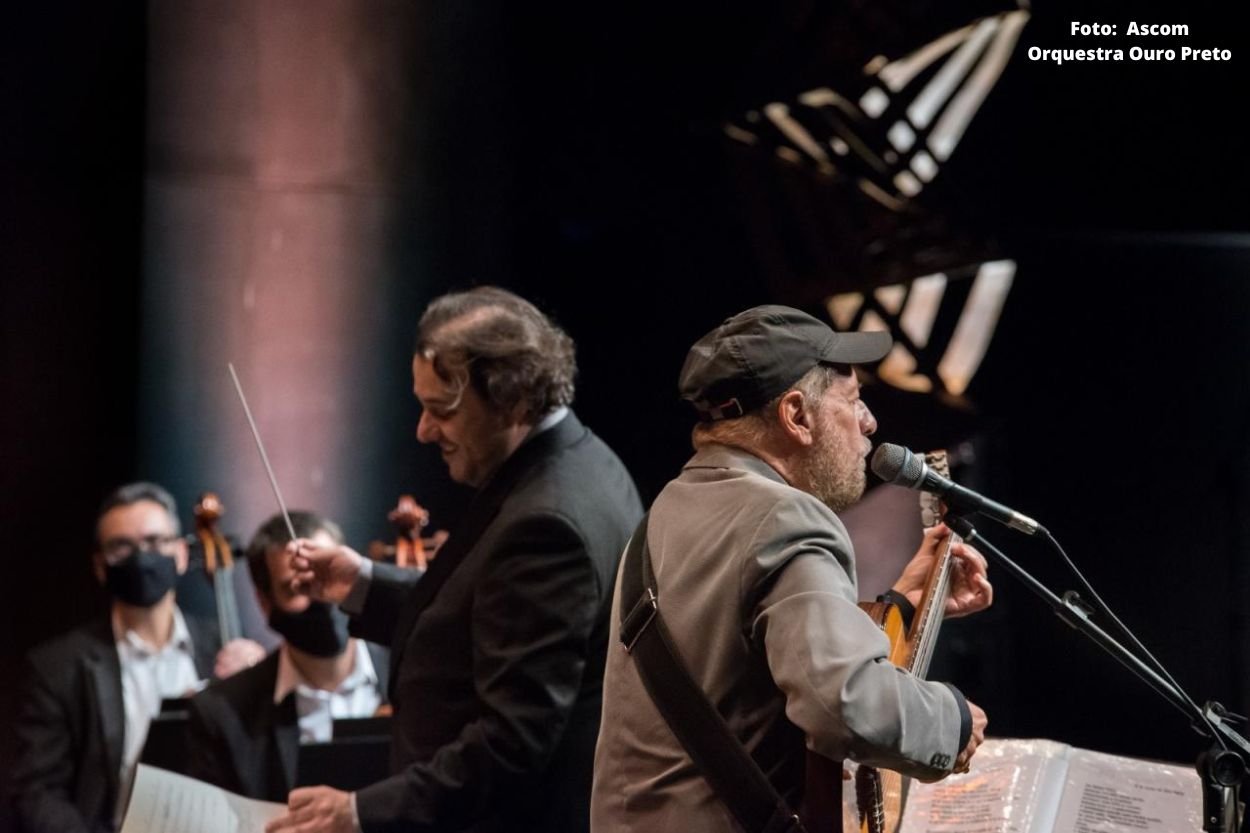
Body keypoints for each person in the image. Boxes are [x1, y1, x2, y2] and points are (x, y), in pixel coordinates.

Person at [591, 305, 993, 831]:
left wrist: (900, 602)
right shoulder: (787, 517)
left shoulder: (665, 513)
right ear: (797, 416)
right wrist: (953, 721)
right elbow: (842, 705)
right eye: (853, 401)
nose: (870, 423)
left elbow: (749, 670)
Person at [268, 286, 643, 833]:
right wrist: (365, 582)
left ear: (513, 400)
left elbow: (511, 746)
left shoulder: (546, 523)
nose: (422, 430)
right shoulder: (575, 461)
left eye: (441, 409)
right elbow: (483, 616)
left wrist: (357, 812)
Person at [9, 481, 264, 833]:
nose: (140, 557)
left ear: (180, 554)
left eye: (154, 542)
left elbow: (267, 763)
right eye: (121, 547)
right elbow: (36, 790)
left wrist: (265, 684)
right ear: (100, 566)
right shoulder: (57, 666)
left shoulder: (226, 647)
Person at [187, 510, 390, 801]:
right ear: (264, 602)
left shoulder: (412, 671)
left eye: (329, 576)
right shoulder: (224, 713)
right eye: (299, 587)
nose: (321, 597)